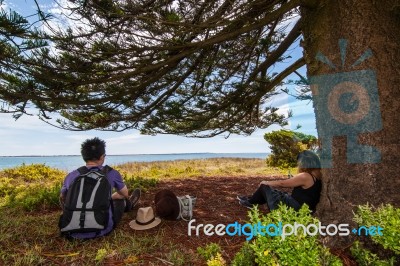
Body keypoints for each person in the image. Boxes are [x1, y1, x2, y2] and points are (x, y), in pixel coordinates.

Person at [59, 137, 141, 239]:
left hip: (71, 230)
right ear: (102, 157)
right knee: (120, 200)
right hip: (102, 229)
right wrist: (110, 197)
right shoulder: (111, 173)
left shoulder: (71, 175)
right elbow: (124, 194)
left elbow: (63, 197)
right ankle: (129, 205)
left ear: (84, 156)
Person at [237, 150, 322, 213]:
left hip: (294, 208)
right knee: (276, 193)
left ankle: (250, 203)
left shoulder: (305, 176)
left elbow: (283, 183)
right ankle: (252, 199)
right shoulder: (318, 175)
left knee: (264, 187)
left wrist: (266, 182)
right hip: (302, 208)